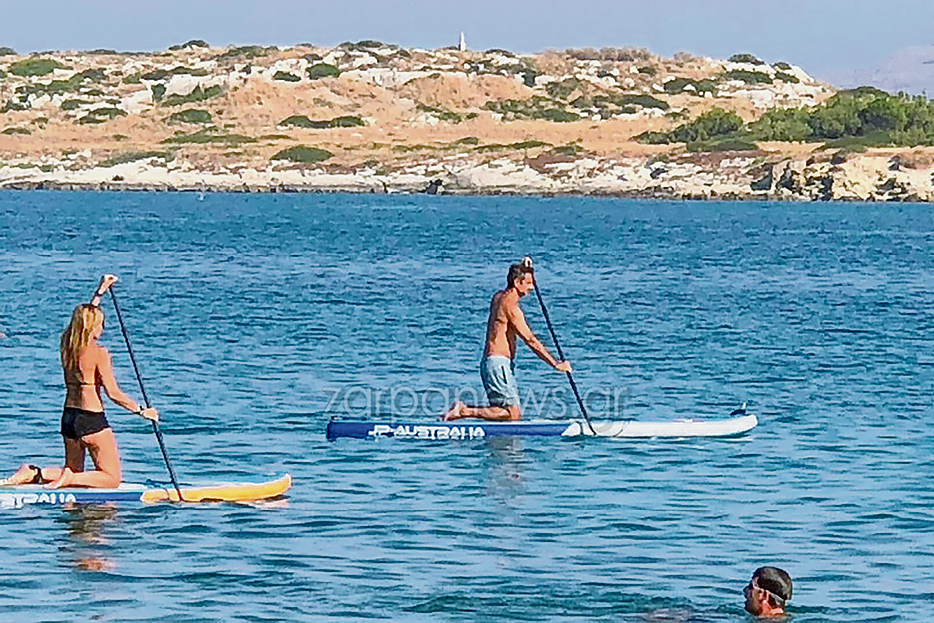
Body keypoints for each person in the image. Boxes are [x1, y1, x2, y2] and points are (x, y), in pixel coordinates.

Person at [3, 274, 158, 489]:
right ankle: (69, 478)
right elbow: (113, 393)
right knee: (111, 479)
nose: (102, 329)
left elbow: (82, 318)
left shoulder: (67, 345)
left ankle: (35, 472)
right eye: (101, 324)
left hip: (69, 417)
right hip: (91, 419)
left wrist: (100, 292)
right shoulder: (99, 353)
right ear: (94, 326)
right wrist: (143, 411)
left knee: (74, 470)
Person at [444, 258, 571, 421]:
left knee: (503, 413)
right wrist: (555, 363)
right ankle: (464, 411)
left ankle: (473, 420)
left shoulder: (498, 297)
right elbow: (530, 340)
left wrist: (525, 267)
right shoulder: (511, 308)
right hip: (498, 364)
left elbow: (514, 278)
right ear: (518, 283)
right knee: (513, 414)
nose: (532, 287)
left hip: (493, 363)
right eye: (529, 283)